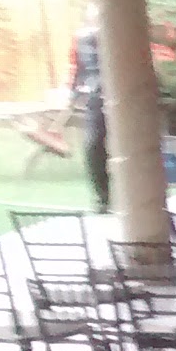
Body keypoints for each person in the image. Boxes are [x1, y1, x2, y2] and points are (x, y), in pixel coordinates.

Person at [69, 12, 107, 210]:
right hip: (96, 99)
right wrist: (74, 92)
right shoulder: (83, 39)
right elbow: (81, 70)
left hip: (125, 97)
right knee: (93, 146)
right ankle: (103, 198)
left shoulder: (121, 34)